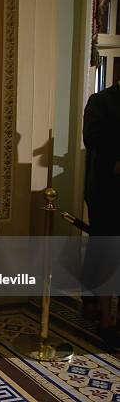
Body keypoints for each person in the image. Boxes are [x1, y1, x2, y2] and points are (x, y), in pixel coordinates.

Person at [82, 80, 120, 351]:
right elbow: (93, 140)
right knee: (106, 253)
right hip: (108, 191)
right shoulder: (100, 101)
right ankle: (106, 320)